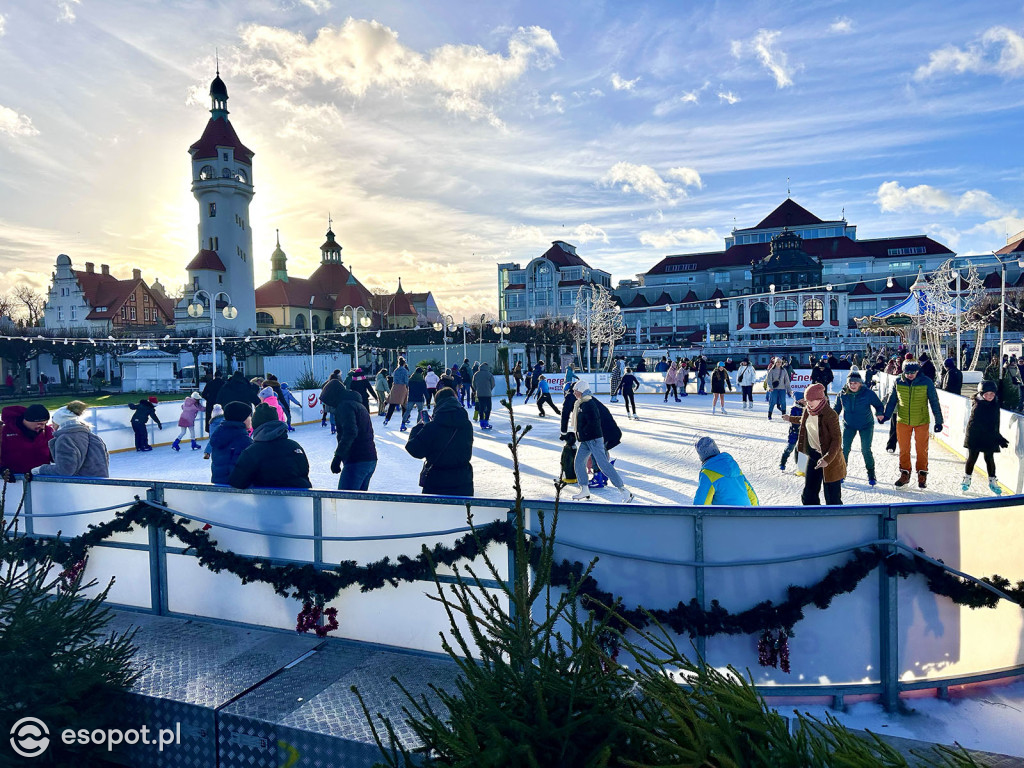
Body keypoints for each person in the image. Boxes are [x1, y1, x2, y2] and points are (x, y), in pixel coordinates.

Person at [881, 360, 943, 489]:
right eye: (907, 372)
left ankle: (922, 474)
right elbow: (892, 400)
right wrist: (886, 415)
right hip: (903, 420)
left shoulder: (926, 382)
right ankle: (905, 473)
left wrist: (939, 421)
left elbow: (934, 402)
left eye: (912, 372)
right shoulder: (898, 381)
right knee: (904, 449)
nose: (910, 375)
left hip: (921, 421)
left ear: (917, 371)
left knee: (922, 449)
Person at [568, 381, 633, 503]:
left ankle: (624, 491)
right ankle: (585, 489)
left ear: (580, 390)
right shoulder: (582, 403)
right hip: (586, 440)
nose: (574, 393)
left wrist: (584, 434)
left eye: (575, 390)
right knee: (578, 463)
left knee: (603, 464)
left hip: (593, 439)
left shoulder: (589, 404)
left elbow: (594, 423)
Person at [405, 387, 474, 496]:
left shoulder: (433, 427)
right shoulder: (466, 424)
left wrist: (419, 427)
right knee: (461, 513)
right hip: (463, 481)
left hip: (437, 482)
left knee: (435, 513)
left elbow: (414, 449)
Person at [786, 383, 846, 505]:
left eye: (812, 400)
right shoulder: (808, 410)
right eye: (807, 400)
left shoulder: (830, 415)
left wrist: (827, 459)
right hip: (814, 455)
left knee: (832, 496)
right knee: (809, 493)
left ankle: (836, 520)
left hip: (830, 458)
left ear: (820, 399)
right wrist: (790, 418)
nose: (809, 403)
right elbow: (802, 420)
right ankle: (811, 515)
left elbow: (837, 440)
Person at [229, 404, 311, 489]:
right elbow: (304, 471)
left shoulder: (251, 452)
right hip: (300, 500)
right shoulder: (294, 446)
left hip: (268, 500)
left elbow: (237, 482)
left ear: (256, 425)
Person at [833, 370, 884, 486]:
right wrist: (830, 419)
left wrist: (880, 413)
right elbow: (836, 409)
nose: (853, 385)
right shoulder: (842, 394)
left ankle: (871, 473)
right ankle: (841, 472)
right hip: (848, 425)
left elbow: (878, 405)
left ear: (860, 383)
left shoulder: (868, 393)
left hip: (866, 425)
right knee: (844, 449)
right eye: (850, 383)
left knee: (865, 449)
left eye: (855, 383)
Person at [35, 402, 109, 478]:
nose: (52, 426)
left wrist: (41, 469)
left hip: (80, 486)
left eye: (53, 423)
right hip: (100, 485)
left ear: (60, 423)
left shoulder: (65, 439)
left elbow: (64, 471)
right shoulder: (94, 437)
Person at [961, 380, 1009, 495]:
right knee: (973, 457)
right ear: (981, 394)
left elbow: (994, 423)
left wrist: (998, 436)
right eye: (987, 394)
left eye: (992, 394)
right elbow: (984, 426)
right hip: (975, 435)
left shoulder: (995, 403)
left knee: (989, 458)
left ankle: (992, 481)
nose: (990, 396)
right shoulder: (978, 406)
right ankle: (967, 478)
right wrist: (999, 438)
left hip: (990, 434)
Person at [330, 384, 378, 491]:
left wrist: (338, 457)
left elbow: (350, 432)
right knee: (358, 502)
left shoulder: (345, 406)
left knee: (345, 501)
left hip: (357, 461)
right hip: (370, 459)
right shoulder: (358, 405)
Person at [693, 436, 758, 506]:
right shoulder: (735, 468)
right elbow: (751, 493)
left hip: (726, 515)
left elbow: (701, 503)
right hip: (747, 513)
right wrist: (755, 512)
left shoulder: (708, 472)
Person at [0, 403, 54, 475]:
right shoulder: (5, 431)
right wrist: (2, 469)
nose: (43, 427)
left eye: (45, 423)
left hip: (40, 480)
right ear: (28, 420)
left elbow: (56, 455)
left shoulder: (48, 431)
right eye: (39, 423)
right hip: (13, 481)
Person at [209, 402, 253, 485]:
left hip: (219, 487)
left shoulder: (219, 435)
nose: (251, 419)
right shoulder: (244, 441)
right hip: (237, 491)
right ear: (242, 418)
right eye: (249, 416)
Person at [779, 401, 803, 473]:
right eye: (802, 399)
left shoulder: (808, 408)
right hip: (794, 432)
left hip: (803, 433)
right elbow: (793, 420)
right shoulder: (794, 409)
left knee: (801, 450)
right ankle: (782, 463)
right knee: (790, 448)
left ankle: (799, 465)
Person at [384, 359, 410, 426]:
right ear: (404, 363)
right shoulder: (405, 371)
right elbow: (406, 381)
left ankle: (387, 419)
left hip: (395, 387)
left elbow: (394, 378)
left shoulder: (395, 370)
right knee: (404, 404)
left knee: (392, 404)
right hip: (402, 388)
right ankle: (405, 419)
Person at [473, 362, 496, 430]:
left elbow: (473, 383)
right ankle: (486, 421)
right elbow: (493, 384)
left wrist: (476, 389)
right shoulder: (489, 374)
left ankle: (482, 422)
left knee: (481, 407)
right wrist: (489, 389)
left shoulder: (476, 374)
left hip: (479, 394)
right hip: (487, 394)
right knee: (488, 407)